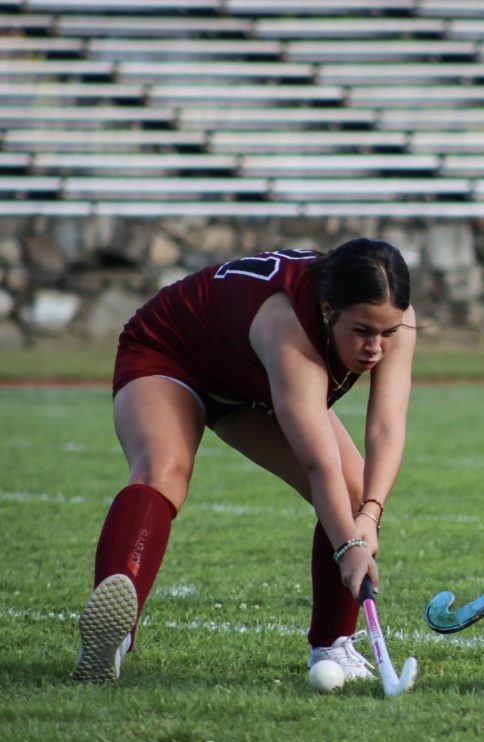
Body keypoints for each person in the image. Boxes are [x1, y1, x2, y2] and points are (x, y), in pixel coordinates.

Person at [71, 237, 417, 685]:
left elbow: (386, 429)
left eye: (386, 333)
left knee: (353, 495)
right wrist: (349, 547)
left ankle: (334, 647)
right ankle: (113, 628)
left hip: (248, 380)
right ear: (329, 310)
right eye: (363, 332)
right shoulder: (290, 325)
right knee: (164, 469)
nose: (375, 347)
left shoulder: (396, 321)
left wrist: (369, 514)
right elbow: (318, 464)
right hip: (174, 352)